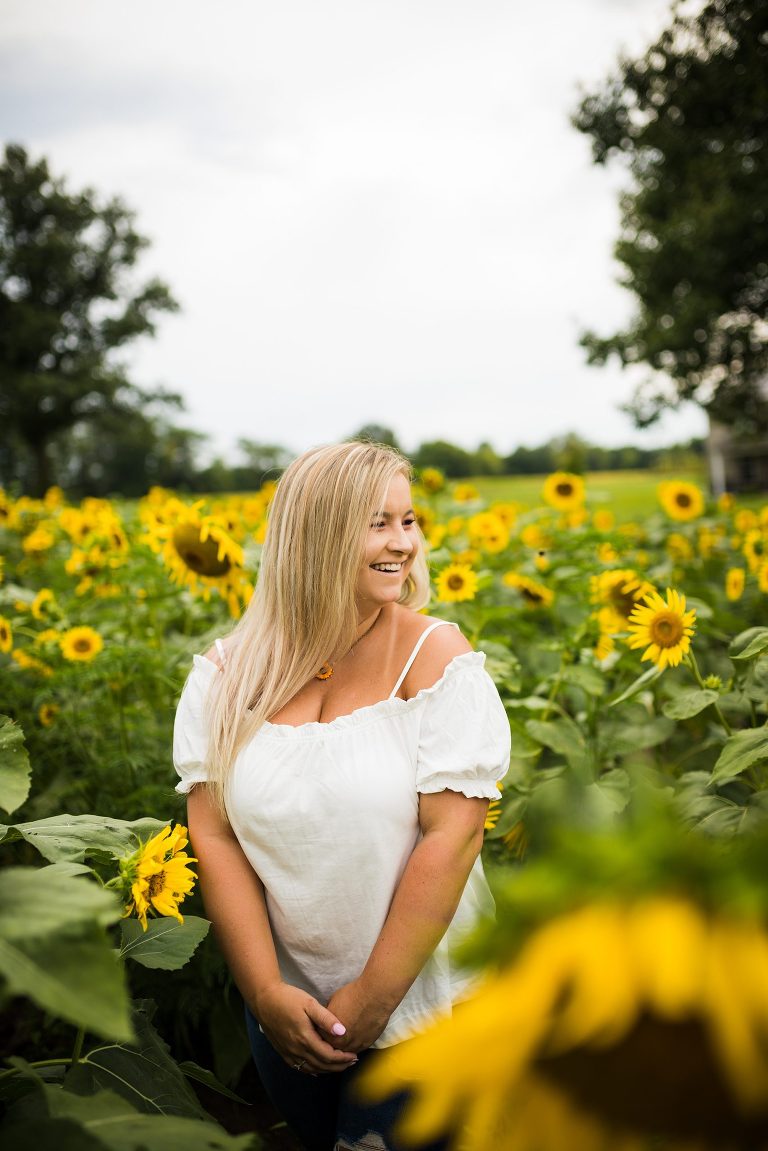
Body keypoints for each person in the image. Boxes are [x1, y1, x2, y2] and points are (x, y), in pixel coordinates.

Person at [173, 441, 511, 1151]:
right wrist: (264, 990)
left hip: (428, 1010)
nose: (403, 543)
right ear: (317, 533)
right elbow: (214, 833)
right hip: (286, 1014)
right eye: (378, 522)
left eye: (409, 520)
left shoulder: (437, 659)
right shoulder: (224, 674)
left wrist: (371, 1000)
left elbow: (452, 839)